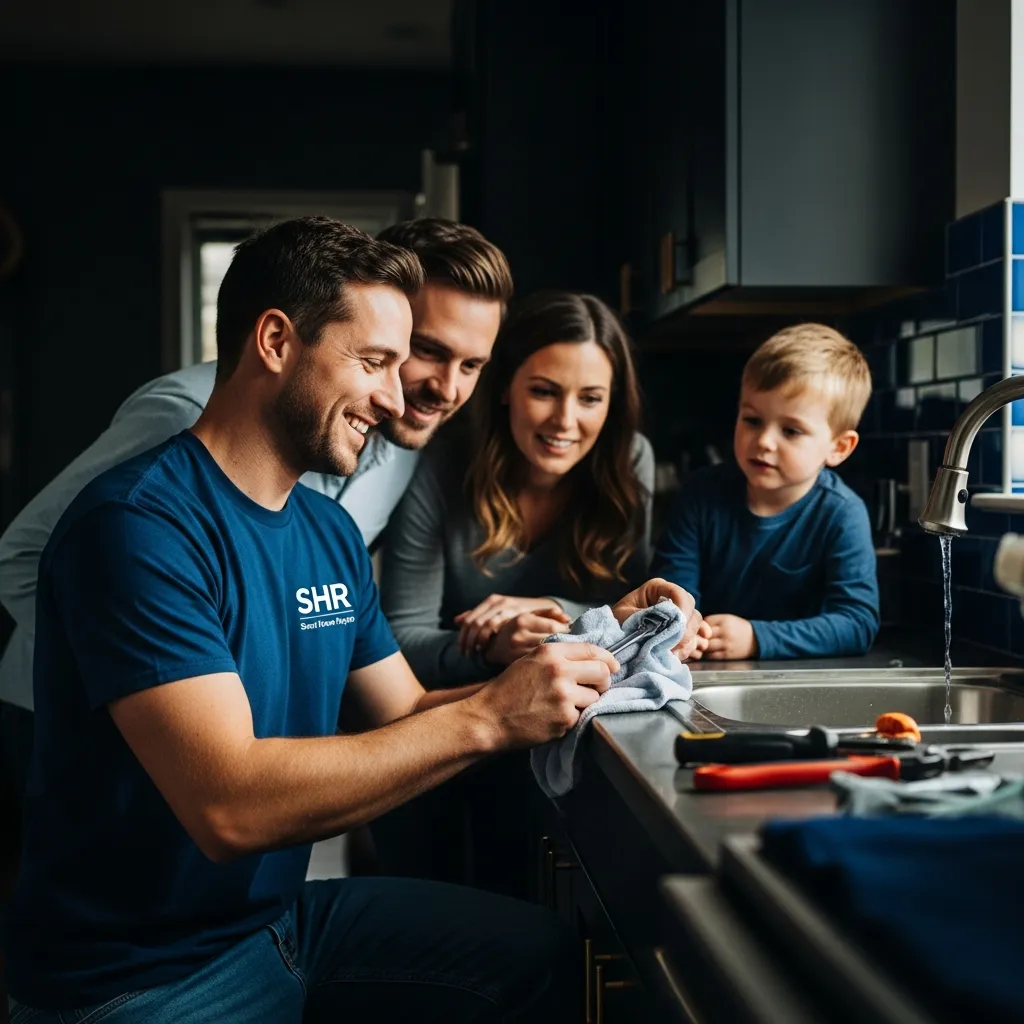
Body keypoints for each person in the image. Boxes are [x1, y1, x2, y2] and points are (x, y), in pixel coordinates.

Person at [2, 217, 703, 1023]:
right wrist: (487, 718)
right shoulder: (136, 526)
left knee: (552, 959)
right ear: (274, 341)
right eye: (373, 363)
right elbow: (233, 807)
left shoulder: (329, 531)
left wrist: (589, 645)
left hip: (277, 923)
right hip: (141, 977)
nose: (396, 393)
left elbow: (403, 710)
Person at [0, 217, 512, 802]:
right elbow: (22, 555)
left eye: (472, 366)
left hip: (246, 746)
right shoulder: (183, 422)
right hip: (81, 716)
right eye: (423, 351)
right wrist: (163, 668)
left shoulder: (395, 440)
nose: (444, 389)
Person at [374, 291, 660, 894]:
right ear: (505, 386)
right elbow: (399, 636)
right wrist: (493, 648)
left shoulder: (630, 463)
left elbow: (634, 619)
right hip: (441, 735)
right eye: (544, 391)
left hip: (562, 743)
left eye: (590, 399)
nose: (565, 421)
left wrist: (557, 618)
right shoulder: (444, 462)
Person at [652, 322, 880, 660]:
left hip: (804, 687)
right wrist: (683, 627)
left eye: (791, 430)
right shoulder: (700, 495)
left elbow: (857, 623)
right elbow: (671, 591)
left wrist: (757, 638)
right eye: (752, 420)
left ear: (839, 447)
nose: (764, 441)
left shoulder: (842, 513)